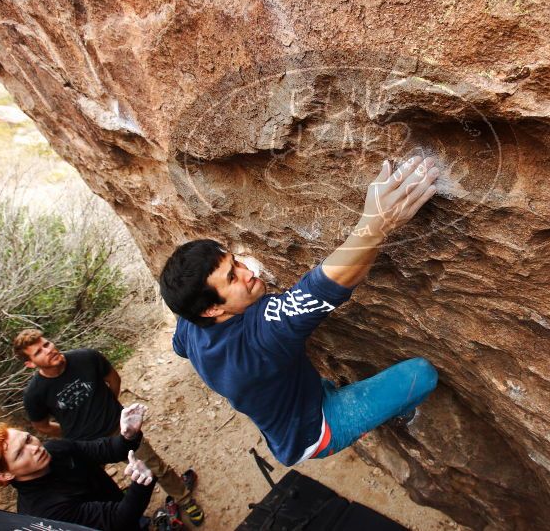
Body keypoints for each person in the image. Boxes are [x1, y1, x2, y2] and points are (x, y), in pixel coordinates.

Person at [158, 155, 440, 466]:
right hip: (315, 430)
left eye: (235, 263)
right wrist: (376, 223)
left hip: (288, 410)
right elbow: (319, 288)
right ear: (212, 309)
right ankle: (392, 414)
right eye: (232, 278)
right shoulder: (259, 339)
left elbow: (179, 348)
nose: (248, 272)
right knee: (421, 374)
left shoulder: (190, 325)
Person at [13, 329, 204, 525]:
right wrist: (71, 432)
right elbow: (42, 426)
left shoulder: (85, 357)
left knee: (154, 467)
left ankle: (184, 499)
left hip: (118, 430)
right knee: (91, 486)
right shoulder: (34, 393)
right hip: (82, 445)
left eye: (46, 344)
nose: (48, 350)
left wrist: (110, 408)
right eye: (38, 352)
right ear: (30, 364)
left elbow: (114, 379)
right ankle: (124, 516)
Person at [0, 403, 156, 531]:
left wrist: (127, 437)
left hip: (125, 511)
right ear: (5, 475)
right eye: (20, 453)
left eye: (27, 438)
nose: (34, 447)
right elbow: (116, 520)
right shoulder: (43, 511)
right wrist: (141, 484)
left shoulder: (54, 450)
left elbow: (100, 450)